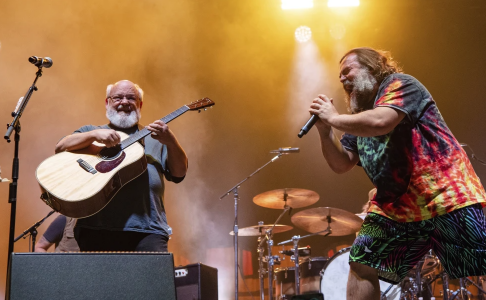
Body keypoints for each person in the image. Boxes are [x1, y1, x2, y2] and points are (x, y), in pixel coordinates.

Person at [308, 47, 486, 300]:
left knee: (480, 265)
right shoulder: (359, 119)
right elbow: (341, 163)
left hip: (445, 197)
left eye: (348, 70)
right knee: (361, 261)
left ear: (373, 67)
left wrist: (334, 118)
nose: (342, 79)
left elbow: (382, 121)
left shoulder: (400, 85)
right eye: (339, 76)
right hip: (398, 210)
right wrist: (325, 131)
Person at [55, 80, 188, 252]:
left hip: (148, 231)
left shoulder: (157, 138)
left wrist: (171, 141)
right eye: (117, 97)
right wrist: (94, 135)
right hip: (95, 229)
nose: (124, 102)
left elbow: (179, 174)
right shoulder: (91, 131)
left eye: (131, 98)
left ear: (140, 104)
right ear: (107, 102)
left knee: (150, 279)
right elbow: (61, 147)